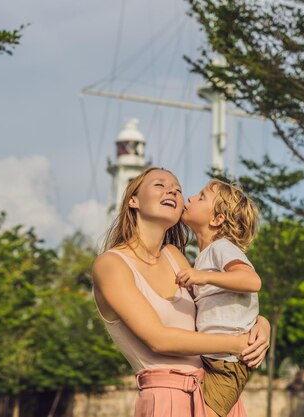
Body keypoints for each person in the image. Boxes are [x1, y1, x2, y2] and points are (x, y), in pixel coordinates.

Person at [92, 167, 270, 417]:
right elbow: (159, 340)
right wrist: (239, 343)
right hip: (167, 399)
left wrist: (261, 324)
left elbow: (217, 306)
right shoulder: (111, 265)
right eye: (160, 185)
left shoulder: (176, 257)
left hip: (213, 393)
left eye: (177, 188)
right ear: (133, 200)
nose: (173, 191)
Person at [177, 179, 260, 417]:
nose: (190, 198)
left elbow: (252, 281)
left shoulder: (222, 247)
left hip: (228, 363)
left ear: (216, 220)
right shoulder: (204, 256)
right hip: (213, 357)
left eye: (201, 197)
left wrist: (202, 277)